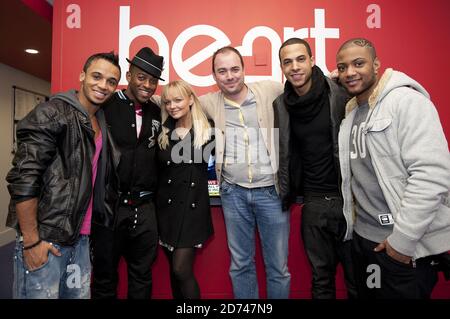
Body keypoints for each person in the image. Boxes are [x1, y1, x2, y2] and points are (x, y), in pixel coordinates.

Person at [336, 38, 450, 298]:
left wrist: (403, 241)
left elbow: (431, 176)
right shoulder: (352, 113)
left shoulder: (407, 102)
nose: (350, 72)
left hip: (400, 247)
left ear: (376, 64)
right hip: (365, 241)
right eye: (343, 67)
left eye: (358, 63)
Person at [5, 52, 121, 299]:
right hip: (47, 239)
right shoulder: (52, 113)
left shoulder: (99, 120)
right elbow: (24, 179)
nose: (103, 85)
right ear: (82, 76)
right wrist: (32, 241)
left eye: (111, 81)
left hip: (81, 238)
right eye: (97, 76)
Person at [199, 46, 291, 299]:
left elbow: (305, 85)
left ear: (243, 69)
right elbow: (176, 99)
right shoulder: (209, 102)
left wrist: (334, 79)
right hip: (233, 193)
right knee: (240, 265)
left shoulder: (271, 90)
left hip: (271, 193)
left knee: (278, 268)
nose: (229, 76)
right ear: (214, 76)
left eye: (234, 69)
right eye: (222, 71)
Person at [273, 38, 357, 299]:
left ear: (312, 61)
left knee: (357, 280)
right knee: (321, 280)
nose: (295, 67)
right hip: (314, 202)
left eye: (300, 59)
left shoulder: (341, 92)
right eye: (288, 62)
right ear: (282, 67)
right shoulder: (282, 104)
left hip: (349, 201)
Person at [91, 47, 163, 299]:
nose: (147, 85)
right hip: (111, 208)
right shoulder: (106, 104)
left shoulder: (157, 111)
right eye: (141, 77)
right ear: (129, 75)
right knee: (104, 279)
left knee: (142, 277)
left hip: (145, 210)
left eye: (153, 80)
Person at [156, 80, 214, 299]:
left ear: (190, 99)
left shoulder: (207, 129)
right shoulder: (162, 132)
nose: (172, 106)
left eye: (178, 100)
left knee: (181, 269)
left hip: (193, 211)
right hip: (166, 211)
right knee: (174, 272)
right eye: (167, 101)